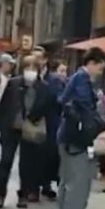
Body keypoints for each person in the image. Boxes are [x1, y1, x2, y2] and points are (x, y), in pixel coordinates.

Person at [56, 50, 105, 209]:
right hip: (76, 140)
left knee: (67, 179)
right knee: (78, 181)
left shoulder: (78, 80)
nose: (100, 73)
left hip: (68, 137)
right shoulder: (82, 81)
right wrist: (100, 122)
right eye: (100, 68)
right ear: (92, 63)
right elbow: (87, 110)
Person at [0, 55, 55, 208]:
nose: (30, 71)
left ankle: (23, 194)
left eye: (33, 68)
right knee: (5, 161)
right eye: (27, 67)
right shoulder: (14, 83)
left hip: (31, 129)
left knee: (27, 165)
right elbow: (3, 106)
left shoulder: (44, 87)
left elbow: (47, 109)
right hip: (11, 128)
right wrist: (1, 128)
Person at [40, 60, 67, 199]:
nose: (64, 74)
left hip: (55, 123)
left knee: (53, 156)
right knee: (50, 155)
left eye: (65, 71)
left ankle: (48, 183)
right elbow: (58, 100)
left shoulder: (61, 83)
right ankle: (46, 184)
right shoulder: (54, 83)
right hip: (51, 124)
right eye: (61, 71)